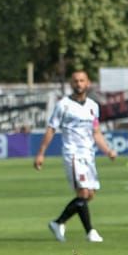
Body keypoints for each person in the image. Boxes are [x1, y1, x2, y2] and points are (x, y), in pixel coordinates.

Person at [34, 69, 116, 243]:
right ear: (72, 84)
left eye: (82, 81)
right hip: (73, 154)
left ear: (88, 83)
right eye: (76, 81)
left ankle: (58, 223)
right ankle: (90, 232)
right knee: (83, 192)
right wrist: (41, 153)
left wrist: (107, 150)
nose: (79, 84)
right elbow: (51, 129)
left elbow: (96, 132)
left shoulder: (93, 106)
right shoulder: (63, 105)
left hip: (89, 155)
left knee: (90, 195)